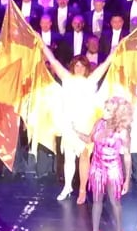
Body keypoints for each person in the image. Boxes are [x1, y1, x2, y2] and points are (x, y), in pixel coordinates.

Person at [42, 48, 111, 203]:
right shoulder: (66, 78)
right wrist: (40, 42)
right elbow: (53, 60)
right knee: (69, 156)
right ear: (73, 66)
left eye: (82, 66)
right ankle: (67, 187)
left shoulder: (91, 80)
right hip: (69, 122)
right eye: (77, 65)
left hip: (86, 123)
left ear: (86, 68)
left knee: (84, 156)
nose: (79, 68)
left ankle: (82, 190)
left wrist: (115, 50)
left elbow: (106, 64)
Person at [82, 96, 132, 231]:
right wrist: (74, 131)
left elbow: (127, 156)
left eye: (108, 110)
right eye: (105, 108)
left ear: (116, 113)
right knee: (96, 201)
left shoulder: (122, 131)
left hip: (113, 169)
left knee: (114, 202)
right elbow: (89, 139)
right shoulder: (99, 123)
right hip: (97, 166)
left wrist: (127, 179)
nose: (104, 111)